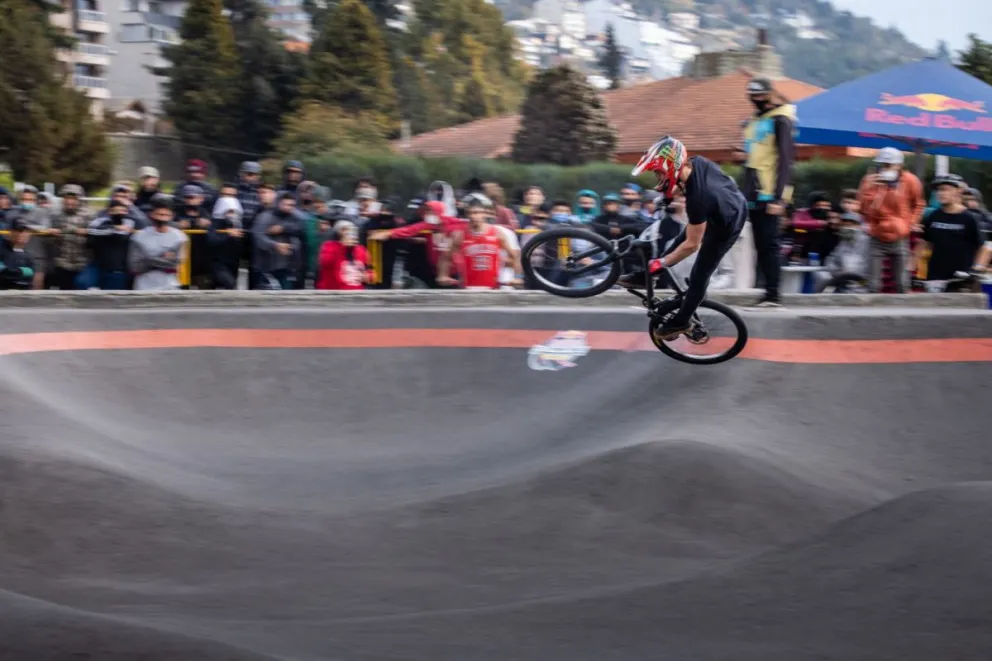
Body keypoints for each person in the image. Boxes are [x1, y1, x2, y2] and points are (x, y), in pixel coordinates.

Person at [618, 136, 748, 339]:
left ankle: (680, 322)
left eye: (658, 173)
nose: (656, 178)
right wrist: (667, 196)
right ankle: (648, 277)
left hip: (728, 224)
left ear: (671, 167)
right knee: (678, 239)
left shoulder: (699, 200)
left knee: (699, 275)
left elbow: (692, 245)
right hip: (724, 203)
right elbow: (681, 183)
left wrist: (661, 262)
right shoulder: (697, 162)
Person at [742, 77, 796, 307]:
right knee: (760, 246)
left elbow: (786, 160)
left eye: (760, 95)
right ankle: (766, 291)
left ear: (770, 94)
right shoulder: (756, 120)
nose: (756, 100)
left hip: (769, 193)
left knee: (769, 244)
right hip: (753, 193)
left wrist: (780, 198)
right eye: (752, 96)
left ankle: (773, 294)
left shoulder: (780, 120)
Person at [857, 147, 925, 293]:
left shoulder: (910, 180)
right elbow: (862, 209)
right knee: (873, 284)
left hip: (900, 236)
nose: (884, 169)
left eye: (888, 165)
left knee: (902, 283)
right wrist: (868, 190)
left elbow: (918, 203)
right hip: (877, 235)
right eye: (881, 165)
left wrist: (912, 222)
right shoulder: (870, 180)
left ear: (899, 165)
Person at [914, 174, 985, 289]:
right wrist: (911, 270)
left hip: (961, 278)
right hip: (935, 278)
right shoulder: (933, 216)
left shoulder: (969, 218)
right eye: (939, 190)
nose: (941, 193)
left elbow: (984, 248)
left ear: (958, 191)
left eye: (946, 190)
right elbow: (924, 244)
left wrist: (975, 270)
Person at [437, 196, 522, 289]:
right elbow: (445, 258)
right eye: (471, 213)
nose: (474, 216)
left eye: (477, 213)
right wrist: (442, 275)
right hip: (468, 288)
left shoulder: (497, 233)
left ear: (485, 214)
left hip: (493, 288)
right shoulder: (460, 236)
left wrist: (517, 277)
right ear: (467, 215)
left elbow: (516, 256)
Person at [128, 195, 189, 291]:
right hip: (143, 287)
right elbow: (135, 267)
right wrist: (163, 258)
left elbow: (176, 264)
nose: (162, 218)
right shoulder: (138, 237)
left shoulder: (180, 237)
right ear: (151, 214)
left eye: (166, 215)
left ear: (172, 216)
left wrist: (148, 260)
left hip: (170, 286)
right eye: (159, 214)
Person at [49, 184, 94, 290]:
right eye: (67, 198)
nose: (70, 201)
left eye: (73, 198)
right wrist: (52, 234)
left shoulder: (89, 215)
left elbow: (96, 237)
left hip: (82, 264)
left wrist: (87, 233)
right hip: (62, 263)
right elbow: (49, 242)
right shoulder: (56, 215)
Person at [316, 220, 370, 290]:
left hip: (357, 291)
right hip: (334, 291)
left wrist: (368, 275)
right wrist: (342, 246)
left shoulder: (361, 249)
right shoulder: (329, 246)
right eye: (344, 230)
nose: (348, 233)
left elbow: (369, 269)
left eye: (351, 230)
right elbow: (326, 263)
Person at [0, 219, 37, 289]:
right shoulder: (2, 250)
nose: (23, 234)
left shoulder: (29, 256)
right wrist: (21, 272)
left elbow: (30, 277)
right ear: (10, 232)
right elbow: (3, 272)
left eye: (26, 231)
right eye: (19, 230)